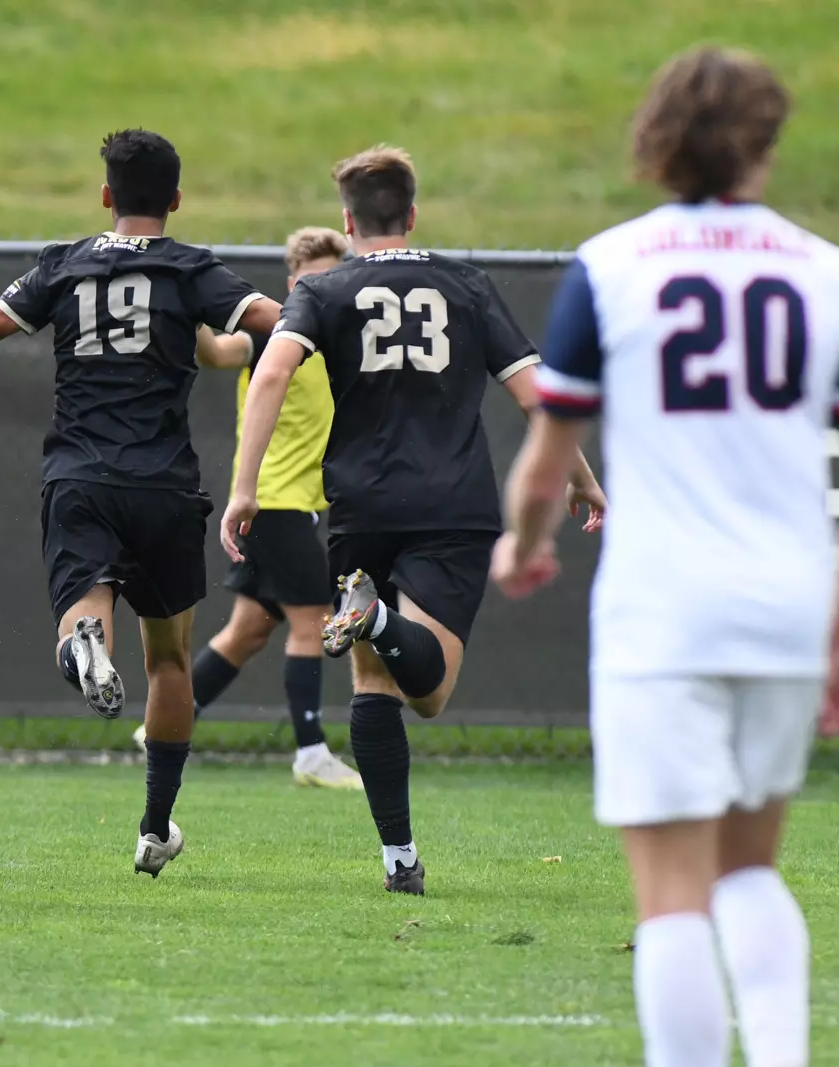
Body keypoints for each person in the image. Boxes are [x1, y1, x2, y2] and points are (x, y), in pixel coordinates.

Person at [0, 129, 281, 876]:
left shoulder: (64, 266)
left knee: (84, 606)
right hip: (163, 483)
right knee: (168, 659)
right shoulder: (194, 270)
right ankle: (155, 825)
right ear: (176, 200)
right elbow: (274, 323)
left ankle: (80, 645)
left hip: (81, 476)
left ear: (105, 196)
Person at [494, 48, 833, 1067]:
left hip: (663, 611)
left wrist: (523, 542)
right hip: (784, 605)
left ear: (655, 140)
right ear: (765, 145)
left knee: (672, 894)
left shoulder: (611, 266)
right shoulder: (823, 269)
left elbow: (547, 458)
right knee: (748, 870)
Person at [220, 145, 606, 895]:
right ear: (414, 212)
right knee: (427, 691)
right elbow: (537, 397)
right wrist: (583, 481)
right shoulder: (464, 284)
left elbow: (270, 370)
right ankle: (378, 621)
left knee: (375, 683)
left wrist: (244, 487)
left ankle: (399, 858)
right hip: (451, 505)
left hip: (360, 506)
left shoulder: (325, 290)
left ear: (348, 219)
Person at [133, 227, 360, 789]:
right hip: (270, 503)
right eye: (310, 280)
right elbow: (214, 351)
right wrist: (186, 304)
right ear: (291, 284)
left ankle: (158, 728)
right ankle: (311, 752)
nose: (321, 289)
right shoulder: (274, 337)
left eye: (331, 277)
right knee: (313, 623)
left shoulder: (345, 342)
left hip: (296, 507)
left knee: (248, 630)